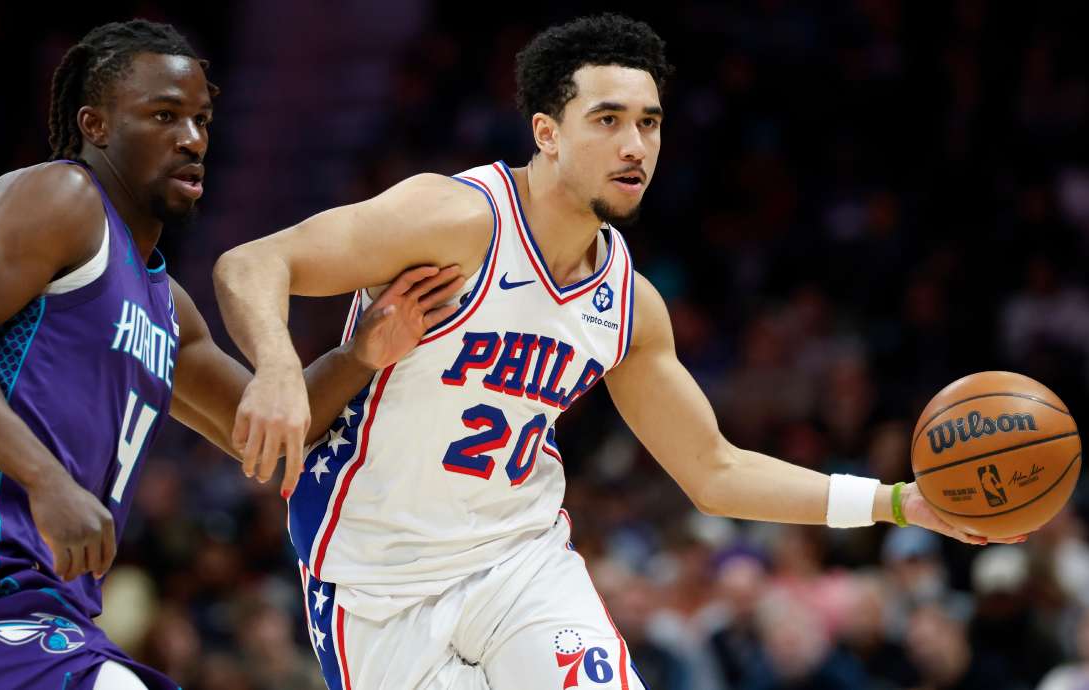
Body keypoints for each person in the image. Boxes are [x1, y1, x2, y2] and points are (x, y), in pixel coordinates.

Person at [213, 13, 1023, 690]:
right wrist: (279, 369)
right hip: (376, 582)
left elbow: (714, 471)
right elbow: (251, 263)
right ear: (547, 133)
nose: (635, 144)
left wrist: (895, 503)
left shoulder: (629, 306)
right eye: (607, 120)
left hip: (521, 564)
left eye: (649, 122)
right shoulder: (454, 218)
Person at [0, 19, 461, 690]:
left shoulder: (165, 306)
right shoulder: (62, 200)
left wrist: (361, 354)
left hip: (45, 604)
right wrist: (47, 480)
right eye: (164, 115)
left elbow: (262, 434)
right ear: (95, 125)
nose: (193, 138)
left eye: (202, 120)